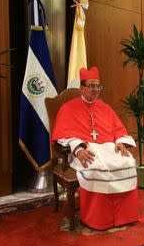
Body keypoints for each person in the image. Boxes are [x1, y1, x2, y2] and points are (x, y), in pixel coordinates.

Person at [51, 66, 138, 230]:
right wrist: (78, 149)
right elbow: (63, 137)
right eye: (91, 86)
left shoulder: (105, 107)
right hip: (85, 148)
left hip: (109, 147)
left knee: (127, 162)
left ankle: (123, 216)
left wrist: (120, 142)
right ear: (82, 88)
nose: (96, 90)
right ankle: (99, 219)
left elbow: (118, 129)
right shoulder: (68, 108)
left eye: (98, 86)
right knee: (94, 166)